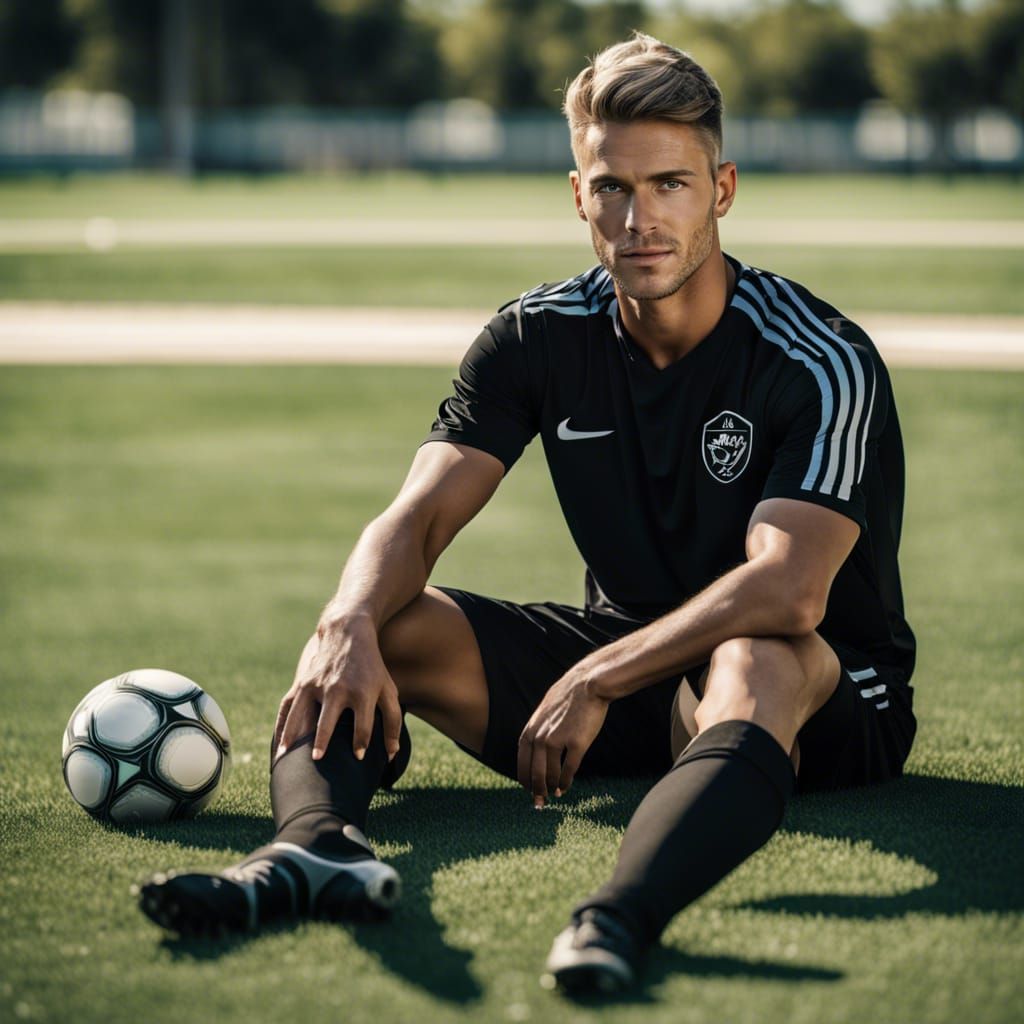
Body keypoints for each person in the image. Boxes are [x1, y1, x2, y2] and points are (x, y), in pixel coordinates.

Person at [139, 33, 916, 995]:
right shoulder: (534, 336)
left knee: (750, 654)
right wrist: (344, 622)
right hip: (619, 670)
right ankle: (311, 850)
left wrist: (596, 674)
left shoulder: (816, 357)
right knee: (385, 617)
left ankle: (616, 918)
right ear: (578, 194)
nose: (640, 219)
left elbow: (790, 592)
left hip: (814, 699)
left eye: (670, 184)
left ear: (722, 190)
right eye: (612, 188)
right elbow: (416, 517)